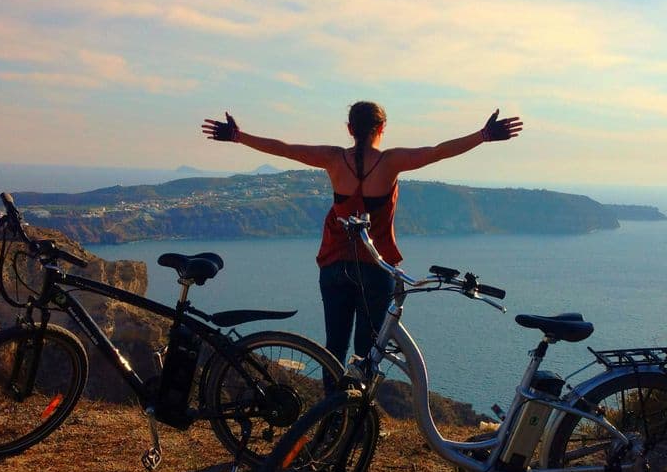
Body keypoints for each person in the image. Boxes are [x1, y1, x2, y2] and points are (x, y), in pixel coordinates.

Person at [201, 103, 523, 369]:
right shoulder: (390, 162)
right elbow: (438, 151)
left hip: (334, 266)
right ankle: (358, 417)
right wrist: (483, 135)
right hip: (375, 267)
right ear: (381, 129)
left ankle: (331, 420)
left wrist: (238, 136)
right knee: (367, 351)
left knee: (333, 349)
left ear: (349, 128)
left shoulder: (332, 159)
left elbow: (284, 149)